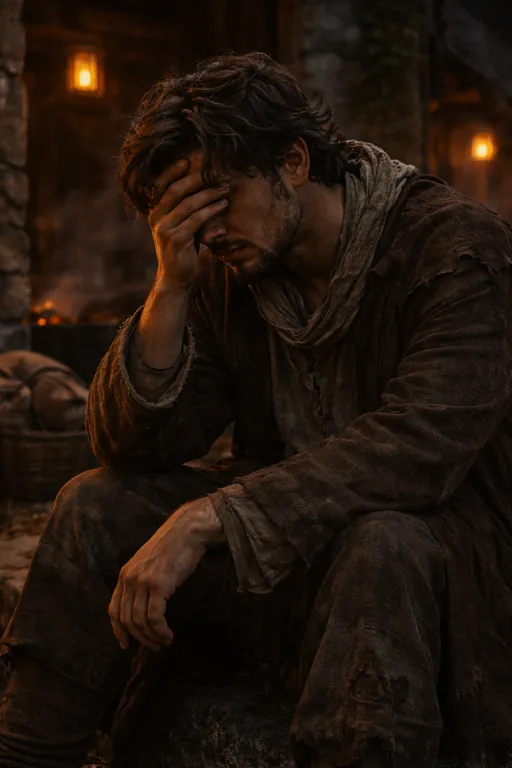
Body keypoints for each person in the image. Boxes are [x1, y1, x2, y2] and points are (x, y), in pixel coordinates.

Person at [1, 52, 512, 768]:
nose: (207, 230)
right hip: (289, 563)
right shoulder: (231, 272)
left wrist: (212, 515)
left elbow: (421, 445)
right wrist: (170, 289)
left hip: (437, 571)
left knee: (382, 540)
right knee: (93, 506)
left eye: (219, 197)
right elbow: (132, 448)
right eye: (187, 213)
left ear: (293, 162)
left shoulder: (456, 249)